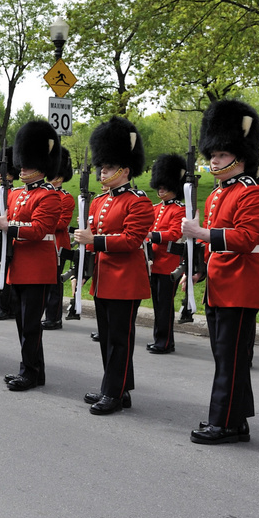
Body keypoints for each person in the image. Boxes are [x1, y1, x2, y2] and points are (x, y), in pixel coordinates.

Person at [181, 99, 259, 444]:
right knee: (226, 357)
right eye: (213, 155)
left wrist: (203, 233)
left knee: (230, 358)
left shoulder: (253, 194)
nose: (214, 160)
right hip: (220, 284)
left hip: (240, 285)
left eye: (221, 155)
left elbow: (248, 238)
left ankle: (222, 422)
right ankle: (237, 420)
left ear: (240, 156)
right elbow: (215, 245)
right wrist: (200, 271)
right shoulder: (217, 195)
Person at [74, 116, 153, 415]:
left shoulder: (139, 201)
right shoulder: (98, 201)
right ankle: (118, 387)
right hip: (104, 278)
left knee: (120, 339)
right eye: (102, 167)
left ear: (125, 170)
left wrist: (94, 239)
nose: (102, 172)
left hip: (126, 280)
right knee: (107, 337)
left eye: (108, 167)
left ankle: (114, 392)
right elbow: (93, 237)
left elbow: (132, 240)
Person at [0, 121, 63, 391]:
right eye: (21, 164)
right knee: (22, 323)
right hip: (18, 264)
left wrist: (8, 226)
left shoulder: (50, 196)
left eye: (27, 164)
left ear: (41, 167)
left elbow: (39, 230)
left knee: (31, 324)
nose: (21, 168)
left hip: (37, 267)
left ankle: (30, 372)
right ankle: (33, 370)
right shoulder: (16, 194)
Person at [146, 154, 186, 354]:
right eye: (159, 186)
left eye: (164, 186)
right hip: (153, 262)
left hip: (169, 264)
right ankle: (160, 338)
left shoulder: (180, 210)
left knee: (164, 305)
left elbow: (174, 233)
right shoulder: (155, 208)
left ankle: (165, 341)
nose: (160, 190)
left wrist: (151, 235)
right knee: (157, 304)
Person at [41, 144, 75, 330]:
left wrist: (42, 224)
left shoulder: (66, 198)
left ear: (60, 177)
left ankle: (54, 318)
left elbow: (62, 223)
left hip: (58, 245)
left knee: (54, 282)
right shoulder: (44, 195)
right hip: (44, 244)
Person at [0, 145, 20, 321]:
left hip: (10, 237)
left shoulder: (15, 193)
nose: (1, 176)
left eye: (6, 172)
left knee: (8, 272)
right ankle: (3, 305)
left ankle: (9, 306)